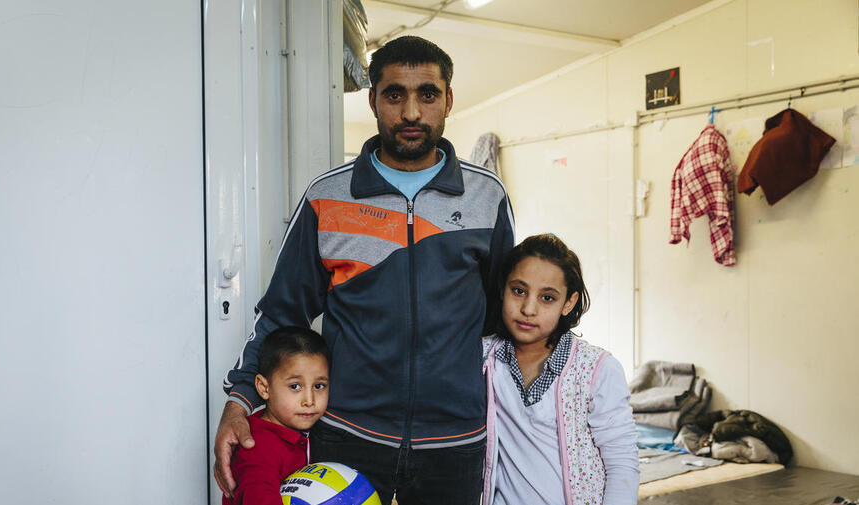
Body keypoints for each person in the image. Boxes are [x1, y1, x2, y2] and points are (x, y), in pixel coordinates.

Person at [214, 35, 515, 505]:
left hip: (454, 440)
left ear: (448, 100)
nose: (411, 113)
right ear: (374, 99)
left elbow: (508, 316)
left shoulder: (487, 197)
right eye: (395, 94)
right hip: (346, 434)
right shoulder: (327, 196)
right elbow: (281, 315)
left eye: (427, 94)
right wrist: (239, 401)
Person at [482, 234, 639, 505]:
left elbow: (622, 462)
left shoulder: (596, 370)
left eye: (547, 298)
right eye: (519, 291)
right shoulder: (484, 359)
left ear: (568, 302)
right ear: (502, 289)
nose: (528, 309)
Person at [223, 326, 330, 505]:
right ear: (264, 388)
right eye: (295, 386)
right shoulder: (257, 448)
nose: (309, 401)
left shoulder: (303, 429)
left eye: (319, 386)